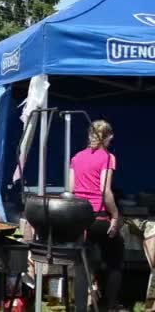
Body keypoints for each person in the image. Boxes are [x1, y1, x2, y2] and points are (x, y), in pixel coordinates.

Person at [70, 120, 123, 311]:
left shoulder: (76, 157)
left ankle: (80, 308)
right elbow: (105, 191)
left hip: (78, 218)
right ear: (107, 137)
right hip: (98, 217)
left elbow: (71, 189)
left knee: (81, 267)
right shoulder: (108, 157)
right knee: (115, 260)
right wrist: (115, 216)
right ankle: (109, 306)